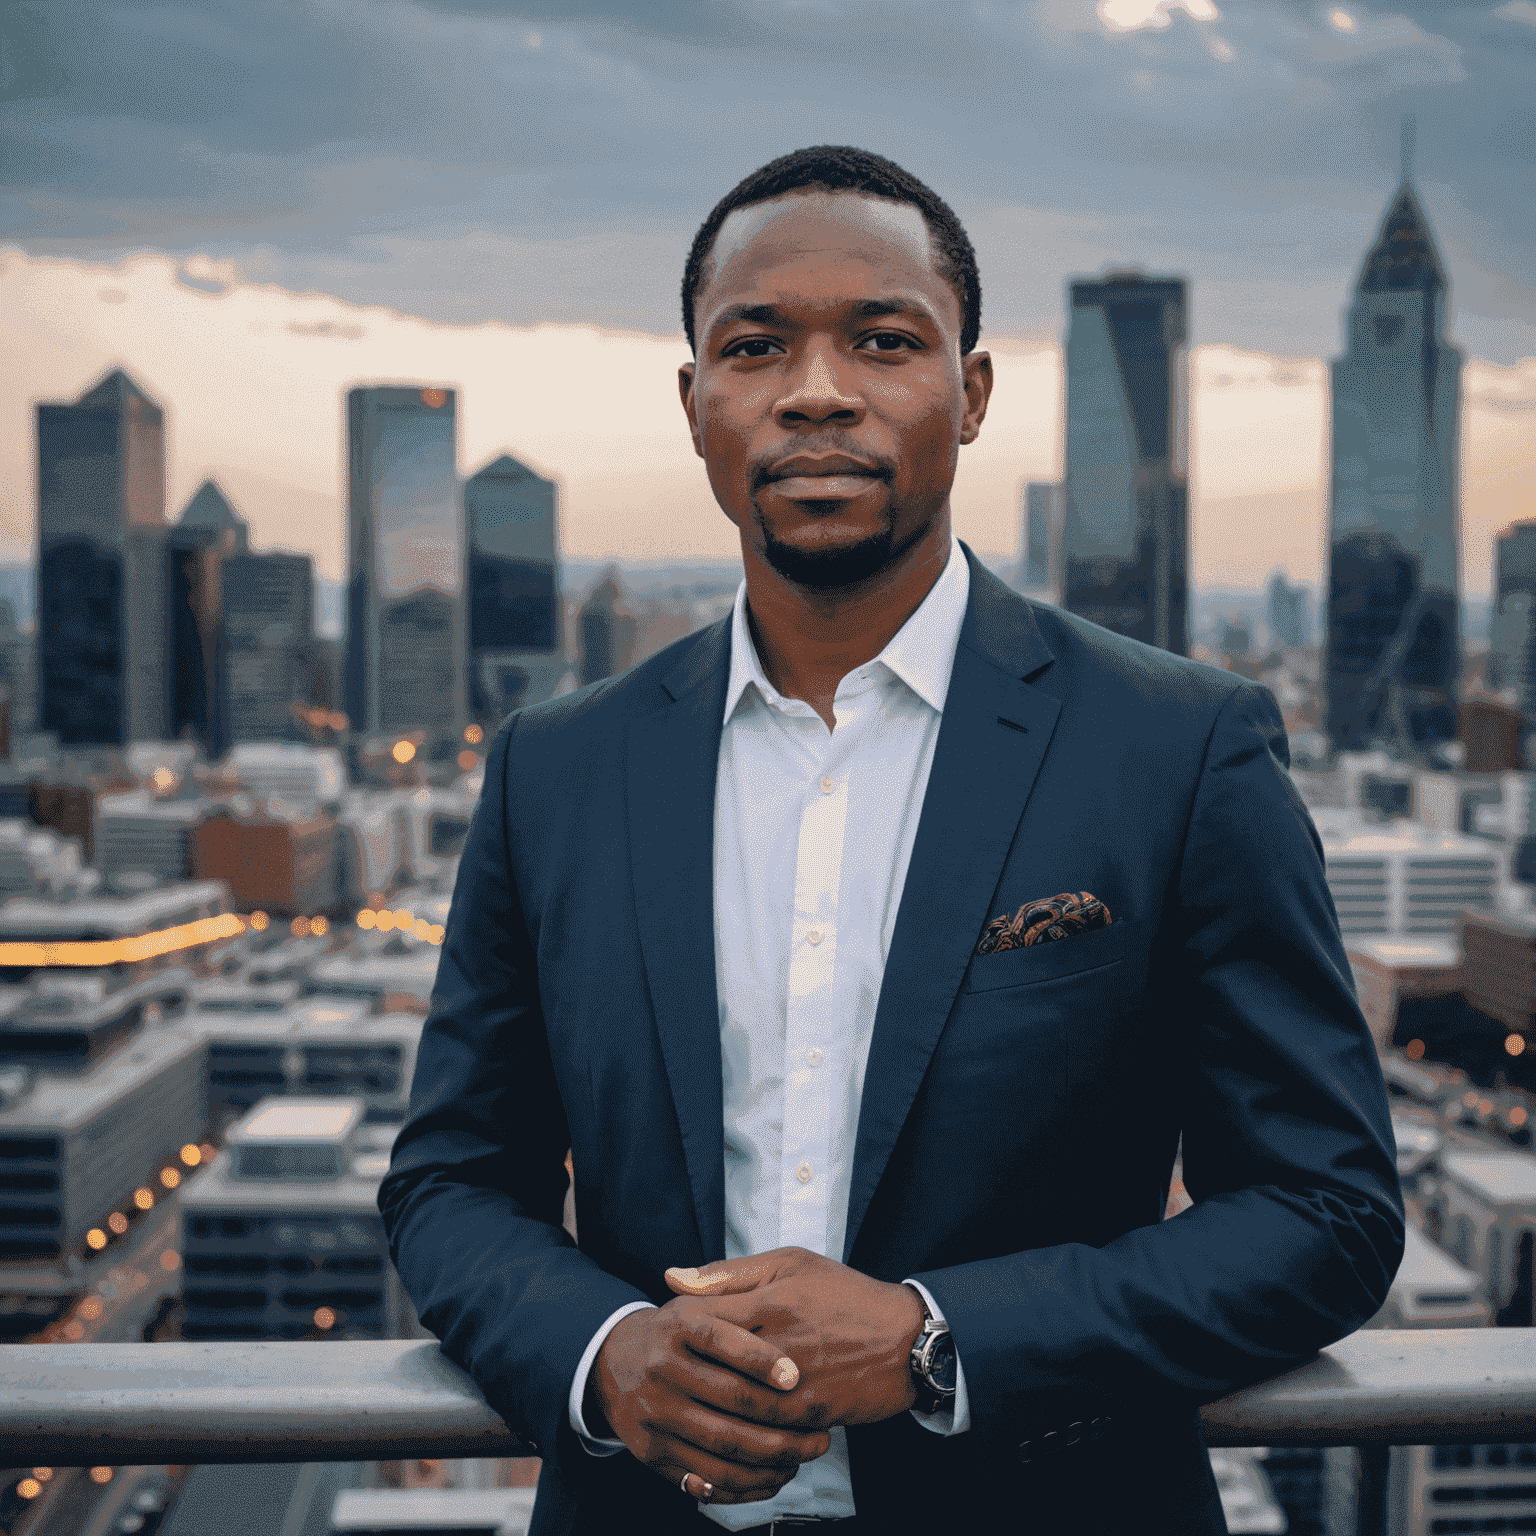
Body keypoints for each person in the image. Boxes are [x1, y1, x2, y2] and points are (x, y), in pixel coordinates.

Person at [380, 145, 1403, 1536]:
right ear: (695, 406)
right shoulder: (557, 767)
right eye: (755, 346)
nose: (816, 389)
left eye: (883, 339)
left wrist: (937, 1341)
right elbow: (451, 1182)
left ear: (968, 394)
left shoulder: (1179, 747)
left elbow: (1324, 1211)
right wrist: (605, 1354)